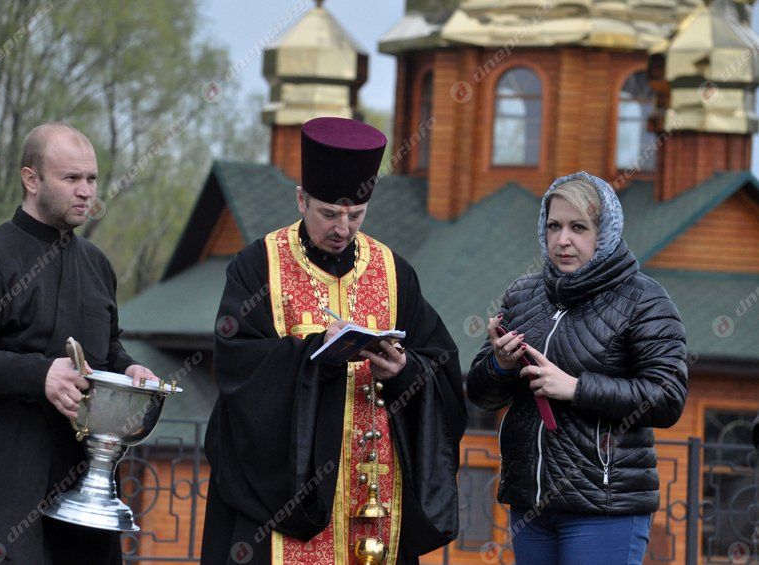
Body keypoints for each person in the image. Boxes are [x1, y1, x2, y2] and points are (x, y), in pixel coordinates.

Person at [201, 117, 467, 564]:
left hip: (376, 491)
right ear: (302, 200)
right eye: (329, 213)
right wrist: (314, 354)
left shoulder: (394, 272)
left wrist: (405, 372)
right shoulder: (258, 266)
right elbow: (236, 364)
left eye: (355, 215)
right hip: (289, 493)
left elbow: (439, 362)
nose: (342, 227)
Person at [0, 123, 157, 565]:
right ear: (31, 179)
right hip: (5, 480)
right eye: (71, 178)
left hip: (84, 482)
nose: (85, 191)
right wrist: (40, 374)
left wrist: (131, 369)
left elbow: (109, 348)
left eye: (92, 179)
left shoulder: (97, 264)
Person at [467, 171, 688, 564]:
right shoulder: (522, 296)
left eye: (578, 227)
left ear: (604, 233)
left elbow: (667, 398)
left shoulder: (645, 300)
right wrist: (499, 364)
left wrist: (576, 388)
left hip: (606, 507)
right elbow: (482, 396)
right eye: (553, 226)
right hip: (531, 504)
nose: (562, 239)